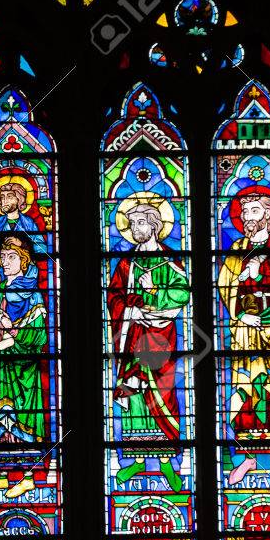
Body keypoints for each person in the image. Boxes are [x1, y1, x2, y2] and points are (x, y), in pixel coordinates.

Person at [216, 192, 270, 484]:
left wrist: (261, 274)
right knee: (246, 390)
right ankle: (246, 459)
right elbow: (224, 285)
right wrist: (239, 315)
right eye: (244, 213)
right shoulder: (237, 248)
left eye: (253, 212)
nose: (247, 218)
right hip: (245, 329)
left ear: (267, 214)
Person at [106, 200, 188, 491]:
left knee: (163, 393)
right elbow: (114, 297)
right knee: (134, 393)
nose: (135, 229)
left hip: (162, 337)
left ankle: (167, 462)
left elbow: (182, 294)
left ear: (154, 225)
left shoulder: (169, 259)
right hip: (132, 334)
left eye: (140, 223)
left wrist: (154, 290)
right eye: (131, 224)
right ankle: (137, 459)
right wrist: (129, 310)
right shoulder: (127, 262)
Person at [0, 234, 49, 498]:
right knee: (0, 423)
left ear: (24, 261)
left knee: (22, 422)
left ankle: (28, 478)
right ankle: (2, 476)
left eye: (11, 257)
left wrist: (12, 336)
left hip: (23, 368)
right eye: (3, 257)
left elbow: (39, 334)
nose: (5, 262)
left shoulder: (32, 293)